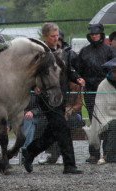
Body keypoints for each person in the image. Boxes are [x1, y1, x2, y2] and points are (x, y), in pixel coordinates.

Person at [22, 22, 85, 174]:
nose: (56, 38)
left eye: (57, 35)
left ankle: (29, 152)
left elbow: (68, 69)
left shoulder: (62, 51)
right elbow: (28, 74)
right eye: (52, 36)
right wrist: (33, 86)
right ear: (45, 36)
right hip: (47, 97)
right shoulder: (39, 54)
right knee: (62, 129)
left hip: (61, 95)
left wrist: (77, 79)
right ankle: (70, 165)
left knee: (53, 131)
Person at [38, 30, 84, 165]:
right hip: (52, 102)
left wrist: (77, 79)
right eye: (53, 38)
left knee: (59, 127)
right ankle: (62, 159)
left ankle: (35, 151)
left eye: (58, 38)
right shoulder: (43, 57)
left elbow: (78, 104)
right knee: (55, 126)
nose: (56, 41)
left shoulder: (66, 56)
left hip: (68, 109)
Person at [77, 23, 116, 164]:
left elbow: (113, 69)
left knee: (107, 121)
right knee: (94, 121)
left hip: (106, 90)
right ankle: (94, 153)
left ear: (101, 34)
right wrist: (80, 79)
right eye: (92, 34)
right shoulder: (84, 51)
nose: (94, 36)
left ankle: (108, 152)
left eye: (97, 34)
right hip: (90, 90)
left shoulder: (109, 50)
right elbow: (78, 69)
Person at [85, 58, 116, 164]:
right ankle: (109, 155)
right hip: (106, 116)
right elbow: (101, 106)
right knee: (113, 125)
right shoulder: (103, 85)